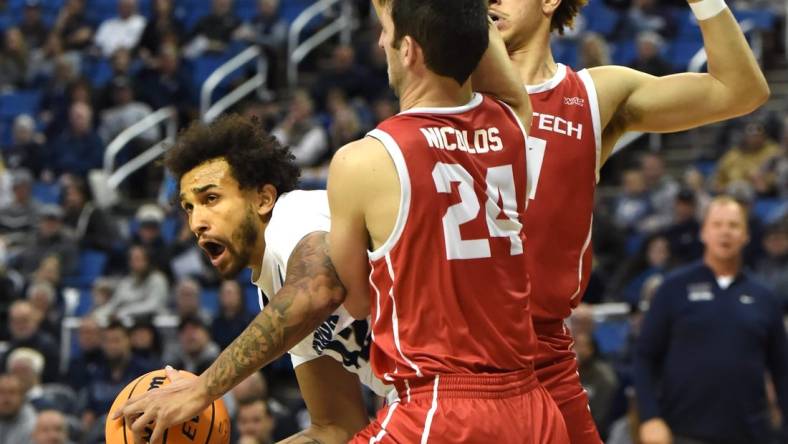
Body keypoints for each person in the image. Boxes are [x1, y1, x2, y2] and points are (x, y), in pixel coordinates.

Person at [487, 0, 769, 441]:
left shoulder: (595, 95)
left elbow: (740, 91)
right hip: (457, 347)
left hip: (545, 350)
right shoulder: (450, 90)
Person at [327, 0, 566, 441]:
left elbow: (357, 301)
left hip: (439, 410)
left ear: (410, 51)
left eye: (387, 31)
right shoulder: (513, 124)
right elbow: (499, 73)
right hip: (533, 408)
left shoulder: (361, 160)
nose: (381, 41)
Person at [114, 115, 381, 444]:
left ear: (263, 199)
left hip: (448, 385)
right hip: (420, 398)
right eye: (188, 208)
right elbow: (336, 428)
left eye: (210, 199)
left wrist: (201, 390)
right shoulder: (275, 296)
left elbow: (319, 288)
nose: (197, 222)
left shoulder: (296, 215)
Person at [634, 196, 788, 444]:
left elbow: (782, 370)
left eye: (733, 225)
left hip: (751, 435)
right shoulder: (673, 288)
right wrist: (650, 417)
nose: (725, 232)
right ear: (703, 232)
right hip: (682, 433)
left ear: (746, 235)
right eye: (717, 224)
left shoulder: (765, 297)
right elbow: (644, 357)